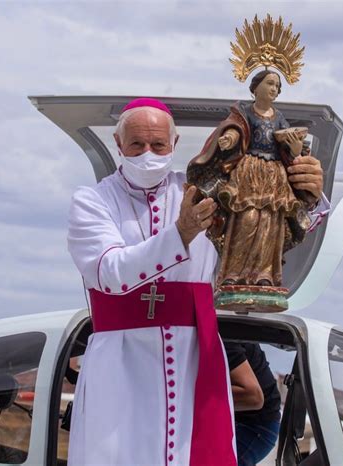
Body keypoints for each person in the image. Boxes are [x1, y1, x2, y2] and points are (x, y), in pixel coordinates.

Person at [66, 98, 237, 466]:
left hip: (194, 357)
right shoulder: (93, 201)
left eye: (158, 145)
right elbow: (109, 272)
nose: (148, 154)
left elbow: (265, 231)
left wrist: (308, 193)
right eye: (137, 145)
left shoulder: (204, 193)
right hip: (120, 364)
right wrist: (181, 234)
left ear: (174, 145)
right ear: (118, 143)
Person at [188, 70, 330, 287]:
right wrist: (229, 138)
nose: (273, 88)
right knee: (247, 218)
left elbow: (290, 147)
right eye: (269, 83)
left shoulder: (278, 117)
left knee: (271, 222)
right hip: (249, 172)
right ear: (255, 87)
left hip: (274, 175)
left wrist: (295, 148)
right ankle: (234, 274)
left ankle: (265, 274)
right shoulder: (245, 111)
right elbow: (237, 129)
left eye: (277, 85)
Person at [225, 343, 281, 466]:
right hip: (245, 420)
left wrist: (195, 394)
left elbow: (254, 397)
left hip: (255, 425)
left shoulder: (223, 337)